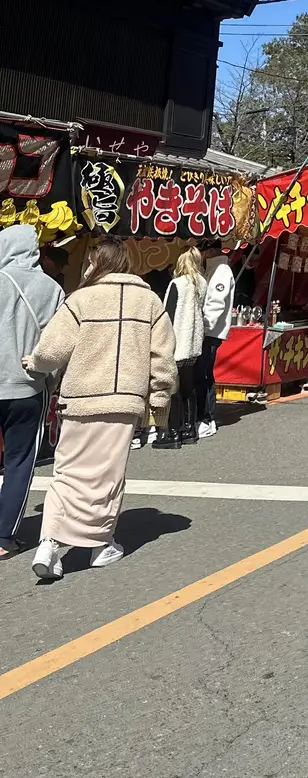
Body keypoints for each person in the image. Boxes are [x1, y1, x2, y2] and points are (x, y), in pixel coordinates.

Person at [24, 236, 176, 581]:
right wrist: (159, 406)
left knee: (67, 473)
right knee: (107, 478)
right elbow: (163, 362)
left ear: (99, 262)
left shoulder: (80, 299)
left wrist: (35, 361)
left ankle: (49, 542)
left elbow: (51, 352)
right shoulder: (150, 302)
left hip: (78, 400)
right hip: (122, 402)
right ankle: (99, 544)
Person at [0, 225, 65, 559]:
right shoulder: (51, 288)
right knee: (19, 461)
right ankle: (4, 536)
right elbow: (60, 340)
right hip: (28, 386)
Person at [158, 248, 207, 449]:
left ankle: (173, 432)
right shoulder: (202, 284)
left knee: (173, 389)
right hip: (193, 342)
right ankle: (190, 429)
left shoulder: (177, 284)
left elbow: (167, 315)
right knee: (189, 387)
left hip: (177, 341)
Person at [197, 242, 235, 439]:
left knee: (204, 374)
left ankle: (207, 418)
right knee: (202, 374)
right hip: (207, 331)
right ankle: (202, 416)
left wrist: (203, 328)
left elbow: (216, 303)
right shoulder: (213, 268)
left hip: (210, 332)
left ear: (210, 250)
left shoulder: (221, 270)